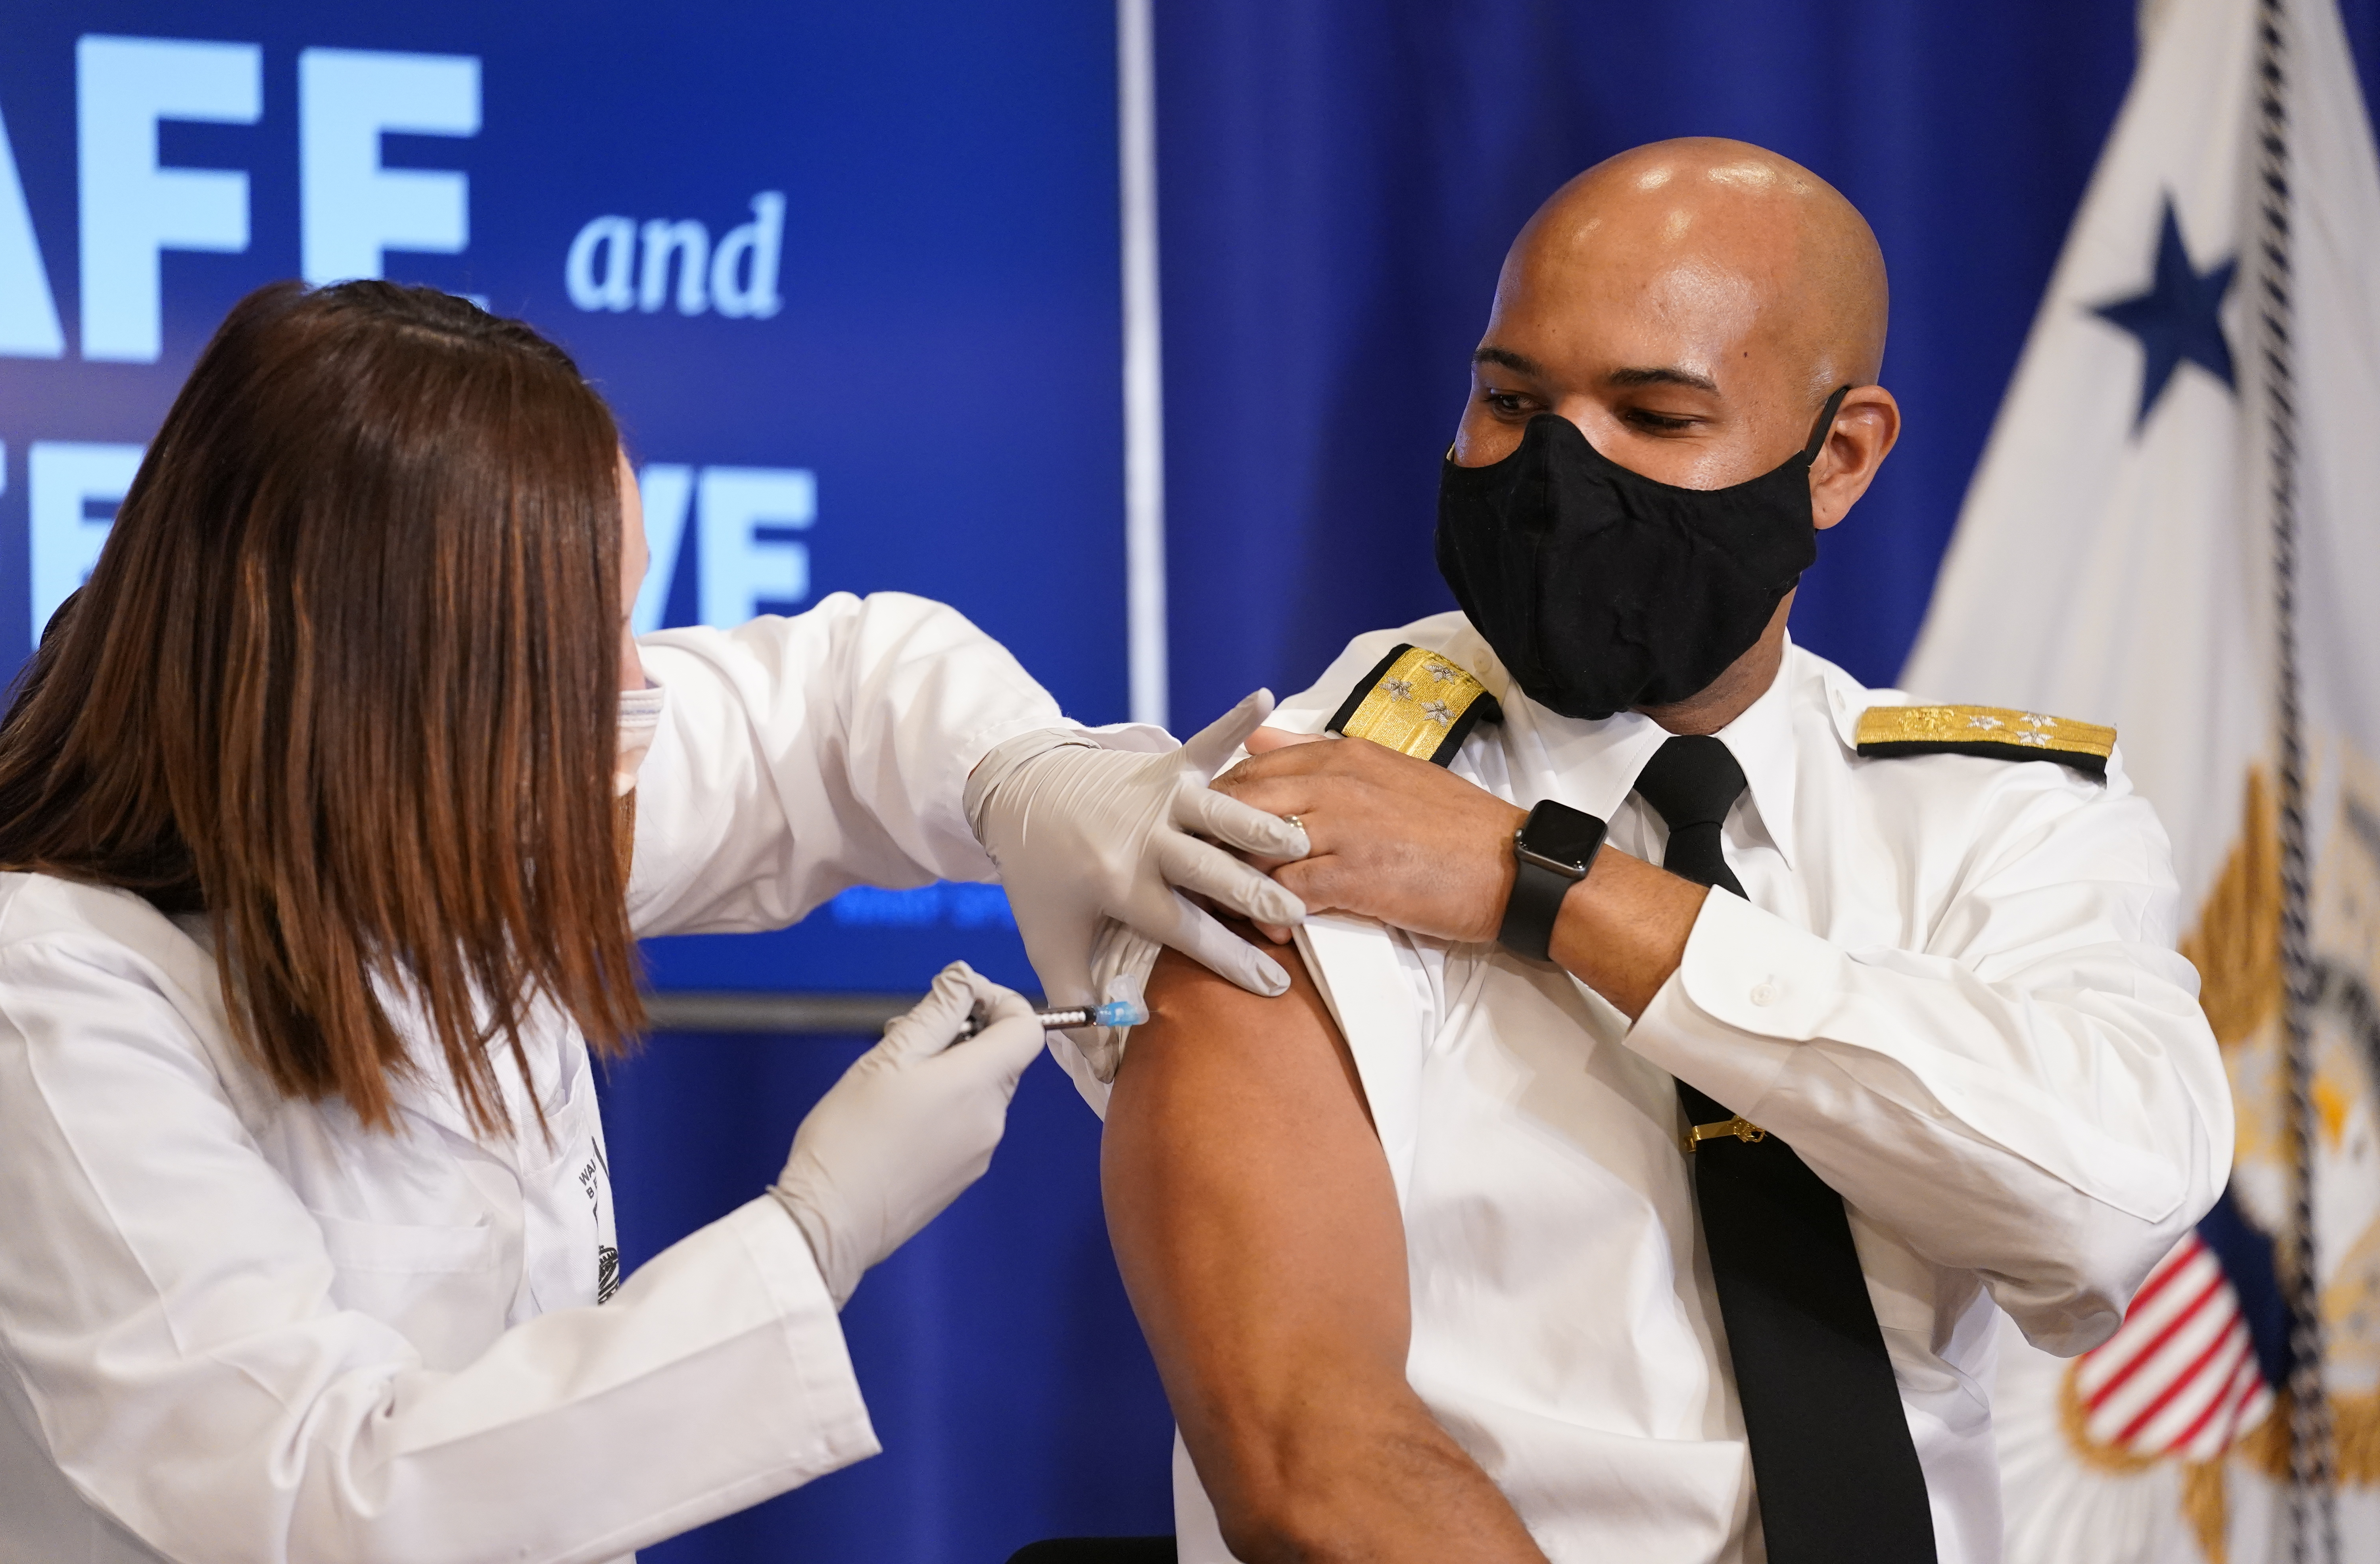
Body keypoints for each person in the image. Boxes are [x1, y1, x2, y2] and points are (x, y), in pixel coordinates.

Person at [0, 279, 1309, 1562]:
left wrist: (1030, 775)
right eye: (581, 645)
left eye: (627, 617)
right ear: (378, 671)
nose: (641, 692)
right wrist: (815, 1234)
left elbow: (835, 705)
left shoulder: (449, 801)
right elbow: (324, 1502)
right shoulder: (57, 1004)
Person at [1094, 140, 2231, 1564]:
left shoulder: (1992, 810)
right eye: (1509, 401)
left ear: (1840, 457)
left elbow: (2105, 1204)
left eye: (1653, 414)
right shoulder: (1314, 800)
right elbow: (1309, 1461)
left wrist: (1547, 886)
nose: (1557, 474)